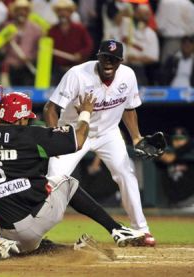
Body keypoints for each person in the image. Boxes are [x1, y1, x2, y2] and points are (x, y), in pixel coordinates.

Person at [0, 92, 145, 259]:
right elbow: (79, 140)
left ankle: (73, 251)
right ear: (21, 119)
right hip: (33, 221)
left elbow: (1, 141)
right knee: (66, 182)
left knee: (33, 242)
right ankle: (116, 229)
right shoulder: (31, 135)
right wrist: (85, 113)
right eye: (26, 119)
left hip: (8, 231)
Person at [43, 39, 155, 246]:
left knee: (125, 173)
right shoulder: (77, 74)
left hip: (108, 133)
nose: (109, 62)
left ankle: (141, 229)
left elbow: (129, 108)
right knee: (55, 180)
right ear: (98, 57)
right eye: (105, 57)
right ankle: (35, 231)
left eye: (113, 59)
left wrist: (136, 137)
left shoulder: (128, 75)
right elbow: (50, 108)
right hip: (74, 133)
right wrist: (55, 139)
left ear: (120, 61)